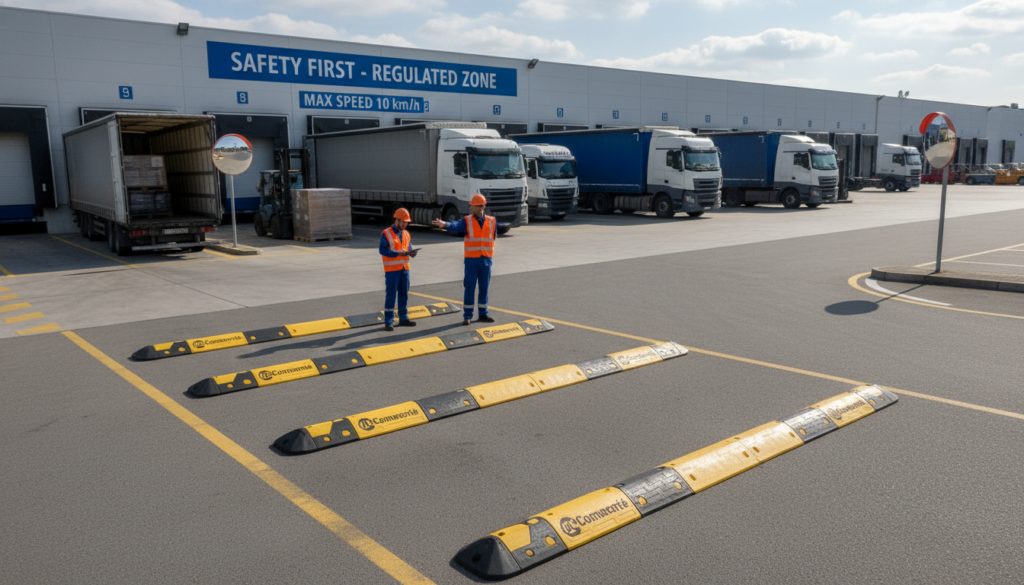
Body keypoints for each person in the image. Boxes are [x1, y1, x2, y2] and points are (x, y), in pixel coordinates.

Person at [432, 194, 508, 325]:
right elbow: (455, 225)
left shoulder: (492, 221)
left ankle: (483, 314)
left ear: (483, 206)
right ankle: (467, 316)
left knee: (484, 288)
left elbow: (495, 235)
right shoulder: (466, 221)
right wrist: (445, 224)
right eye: (473, 206)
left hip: (486, 261)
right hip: (471, 262)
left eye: (477, 206)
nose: (474, 209)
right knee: (469, 288)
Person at [380, 208, 419, 332]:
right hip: (392, 270)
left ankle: (403, 318)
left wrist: (412, 253)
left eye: (406, 223)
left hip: (405, 269)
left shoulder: (406, 233)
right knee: (391, 295)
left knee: (404, 295)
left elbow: (409, 247)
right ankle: (388, 322)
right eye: (402, 222)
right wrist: (397, 253)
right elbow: (382, 250)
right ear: (396, 220)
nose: (404, 225)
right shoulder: (386, 233)